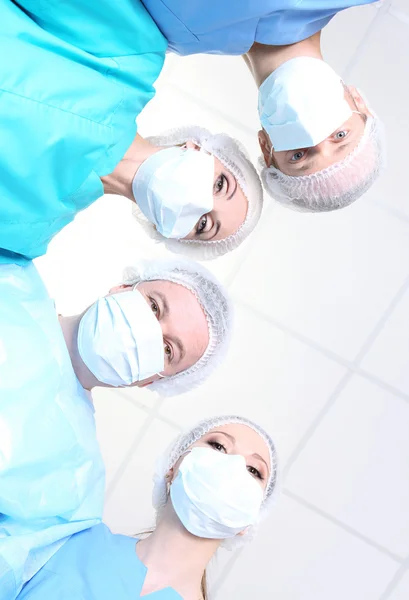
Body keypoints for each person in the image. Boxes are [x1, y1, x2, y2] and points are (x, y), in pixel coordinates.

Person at [0, 258, 232, 599]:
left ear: (153, 380)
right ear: (123, 289)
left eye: (168, 350)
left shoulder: (75, 480)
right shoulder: (11, 275)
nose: (149, 331)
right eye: (154, 307)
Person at [0, 1, 263, 264]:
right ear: (198, 146)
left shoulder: (28, 233)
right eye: (220, 185)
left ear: (170, 234)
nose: (201, 203)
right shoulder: (133, 55)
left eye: (204, 224)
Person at [17, 415, 279, 599]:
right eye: (218, 445)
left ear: (249, 523)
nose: (230, 467)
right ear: (172, 466)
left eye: (254, 471)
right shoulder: (66, 541)